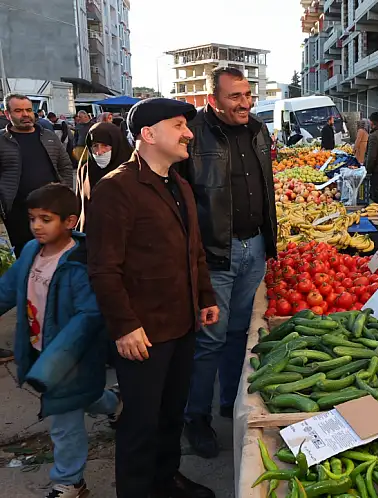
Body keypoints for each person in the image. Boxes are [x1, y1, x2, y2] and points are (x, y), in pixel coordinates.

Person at [86, 98, 219, 498]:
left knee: (170, 414)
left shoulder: (178, 184)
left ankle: (167, 479)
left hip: (181, 324)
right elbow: (103, 268)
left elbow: (193, 249)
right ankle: (139, 489)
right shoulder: (117, 189)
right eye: (179, 125)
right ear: (149, 134)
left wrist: (205, 295)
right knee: (140, 424)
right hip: (143, 331)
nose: (189, 133)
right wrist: (124, 326)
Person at [178, 67, 277, 458]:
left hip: (254, 246)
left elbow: (265, 187)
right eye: (235, 96)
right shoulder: (194, 133)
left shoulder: (257, 130)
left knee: (239, 332)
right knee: (210, 340)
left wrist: (270, 240)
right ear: (213, 99)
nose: (245, 102)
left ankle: (230, 400)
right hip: (217, 251)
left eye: (248, 94)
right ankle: (195, 417)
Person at [0, 183, 119, 498]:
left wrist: (53, 363)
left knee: (64, 424)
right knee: (87, 398)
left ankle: (70, 482)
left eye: (46, 219)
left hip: (71, 358)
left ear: (69, 222)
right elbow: (8, 289)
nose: (37, 226)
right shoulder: (29, 252)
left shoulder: (80, 264)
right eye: (32, 218)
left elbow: (87, 317)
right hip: (41, 350)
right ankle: (116, 403)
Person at [0, 94, 75, 257]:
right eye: (18, 110)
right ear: (7, 114)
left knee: (58, 255)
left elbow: (65, 166)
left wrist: (66, 194)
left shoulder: (48, 136)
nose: (25, 114)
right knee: (26, 257)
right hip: (17, 214)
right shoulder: (2, 140)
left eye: (28, 110)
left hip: (53, 210)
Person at [75, 122, 134, 231]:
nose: (99, 152)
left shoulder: (133, 172)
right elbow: (80, 205)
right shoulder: (85, 170)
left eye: (105, 146)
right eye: (94, 146)